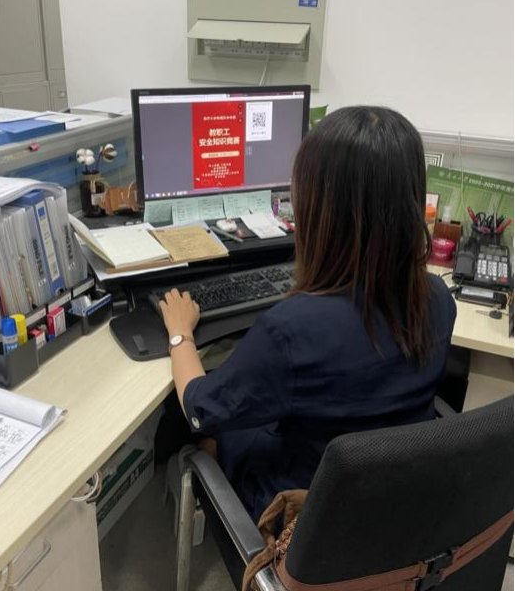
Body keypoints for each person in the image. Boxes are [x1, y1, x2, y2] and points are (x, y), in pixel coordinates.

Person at [159, 106, 457, 523]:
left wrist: (180, 333)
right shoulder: (438, 298)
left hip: (304, 515)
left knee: (210, 429)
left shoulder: (291, 331)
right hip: (389, 504)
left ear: (321, 207)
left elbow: (200, 407)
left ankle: (213, 487)